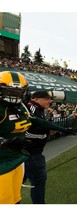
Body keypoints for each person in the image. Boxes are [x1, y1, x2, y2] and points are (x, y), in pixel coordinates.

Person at [23, 90, 76, 204]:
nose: (50, 101)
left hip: (31, 152)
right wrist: (48, 132)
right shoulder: (30, 108)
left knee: (19, 183)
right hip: (31, 152)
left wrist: (50, 131)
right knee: (38, 182)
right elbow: (27, 132)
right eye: (46, 99)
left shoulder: (39, 109)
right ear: (36, 99)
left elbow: (43, 127)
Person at [0, 71, 33, 204]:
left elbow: (33, 121)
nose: (14, 96)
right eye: (10, 91)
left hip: (17, 158)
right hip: (2, 162)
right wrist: (3, 142)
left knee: (16, 199)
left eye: (18, 91)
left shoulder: (21, 107)